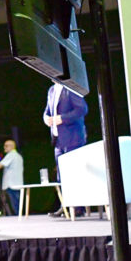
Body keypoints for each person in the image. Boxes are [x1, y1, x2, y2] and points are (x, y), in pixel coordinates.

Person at [43, 83, 88, 217]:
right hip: (58, 140)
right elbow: (47, 111)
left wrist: (61, 118)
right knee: (61, 175)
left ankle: (78, 208)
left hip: (73, 138)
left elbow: (82, 109)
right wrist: (46, 119)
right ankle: (66, 205)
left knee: (74, 173)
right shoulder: (51, 90)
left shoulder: (71, 88)